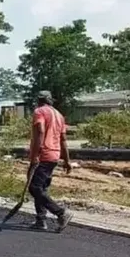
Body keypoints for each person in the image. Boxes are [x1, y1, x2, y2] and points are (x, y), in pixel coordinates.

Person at [28, 91, 74, 231]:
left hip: (43, 155)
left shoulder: (39, 112)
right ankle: (40, 221)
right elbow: (63, 140)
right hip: (54, 156)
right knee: (42, 189)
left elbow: (41, 131)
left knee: (34, 187)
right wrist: (66, 160)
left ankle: (61, 213)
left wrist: (36, 154)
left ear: (39, 100)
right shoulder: (59, 115)